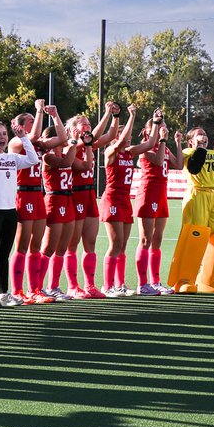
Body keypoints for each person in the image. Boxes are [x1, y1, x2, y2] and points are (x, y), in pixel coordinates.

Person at [100, 106, 161, 297]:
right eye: (123, 133)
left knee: (123, 246)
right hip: (112, 199)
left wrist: (157, 123)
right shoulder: (111, 150)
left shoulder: (130, 152)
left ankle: (120, 284)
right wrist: (132, 116)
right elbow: (117, 144)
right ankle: (107, 286)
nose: (128, 137)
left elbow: (151, 142)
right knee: (115, 244)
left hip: (125, 200)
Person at [0, 120, 39, 307]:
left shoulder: (12, 157)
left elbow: (33, 160)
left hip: (9, 212)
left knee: (4, 253)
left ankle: (4, 293)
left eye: (4, 133)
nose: (1, 137)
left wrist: (23, 138)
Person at [9, 101, 65, 304]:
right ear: (22, 126)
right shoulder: (16, 142)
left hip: (38, 195)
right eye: (31, 121)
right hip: (23, 195)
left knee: (35, 246)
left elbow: (63, 138)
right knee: (22, 246)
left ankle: (35, 289)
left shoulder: (39, 144)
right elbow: (31, 137)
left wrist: (55, 115)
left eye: (36, 121)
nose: (35, 124)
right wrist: (39, 111)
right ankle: (17, 290)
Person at [171, 127, 214, 293]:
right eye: (199, 134)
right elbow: (177, 164)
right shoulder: (189, 151)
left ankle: (210, 279)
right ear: (191, 141)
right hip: (197, 193)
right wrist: (177, 143)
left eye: (205, 134)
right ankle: (183, 280)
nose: (203, 136)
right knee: (195, 236)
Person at [65, 105, 119, 298]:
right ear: (73, 130)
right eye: (84, 125)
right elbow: (95, 135)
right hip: (75, 194)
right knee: (72, 244)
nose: (88, 128)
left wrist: (115, 115)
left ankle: (89, 285)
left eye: (89, 124)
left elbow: (111, 134)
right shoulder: (71, 145)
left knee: (91, 242)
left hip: (89, 195)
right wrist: (105, 113)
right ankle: (73, 286)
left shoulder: (89, 145)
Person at [35, 108, 80, 302]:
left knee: (63, 248)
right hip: (54, 200)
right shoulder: (48, 157)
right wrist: (73, 144)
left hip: (68, 199)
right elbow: (66, 163)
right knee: (48, 248)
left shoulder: (65, 153)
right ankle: (37, 286)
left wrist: (81, 146)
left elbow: (83, 165)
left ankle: (53, 286)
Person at [134, 123, 183, 295]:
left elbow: (179, 165)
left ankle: (155, 281)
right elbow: (157, 160)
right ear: (149, 130)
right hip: (148, 192)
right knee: (146, 240)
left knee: (157, 239)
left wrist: (177, 143)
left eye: (164, 126)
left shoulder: (163, 145)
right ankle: (142, 284)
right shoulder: (144, 146)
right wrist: (162, 139)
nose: (164, 129)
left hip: (162, 193)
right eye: (159, 126)